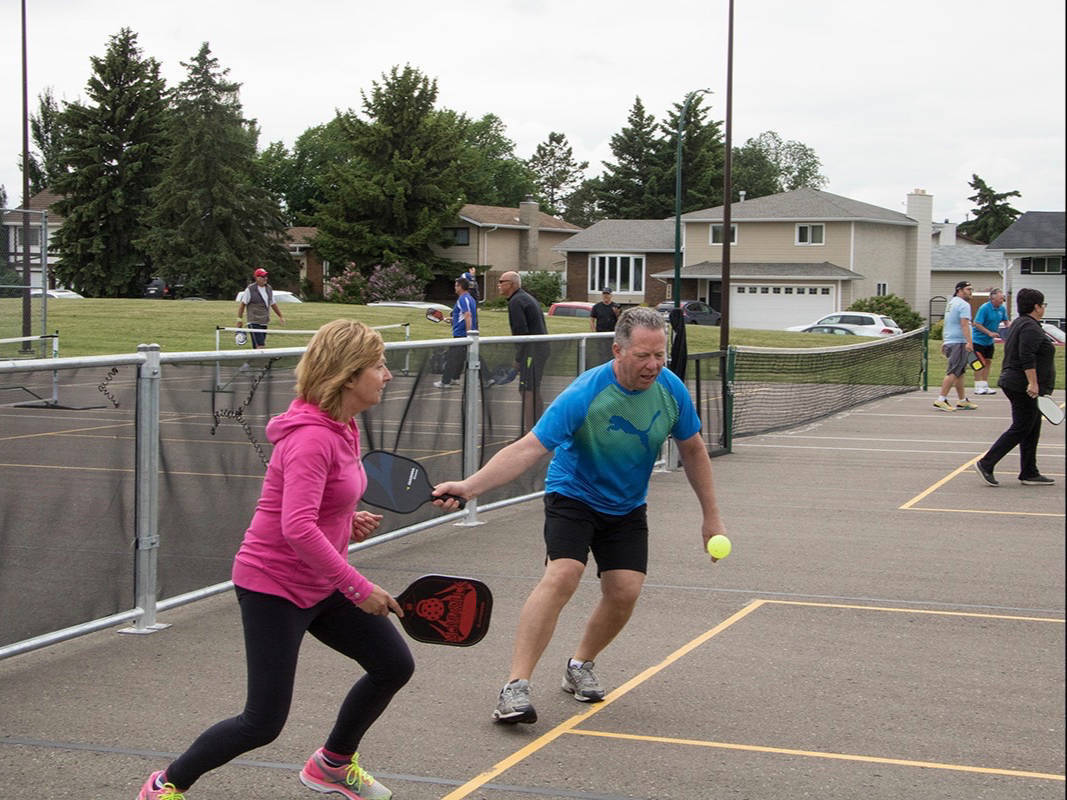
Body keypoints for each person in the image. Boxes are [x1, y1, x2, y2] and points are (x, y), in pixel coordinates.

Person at [136, 320, 412, 800]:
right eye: (379, 365)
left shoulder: (342, 426)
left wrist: (346, 523)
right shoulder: (311, 437)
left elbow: (312, 510)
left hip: (319, 582)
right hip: (273, 586)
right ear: (349, 376)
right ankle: (164, 786)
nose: (387, 375)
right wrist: (359, 587)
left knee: (393, 664)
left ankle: (332, 764)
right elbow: (296, 527)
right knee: (262, 722)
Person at [432, 306, 727, 725]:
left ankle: (579, 665)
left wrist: (711, 518)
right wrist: (469, 488)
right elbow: (528, 448)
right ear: (617, 350)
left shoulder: (670, 389)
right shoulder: (586, 393)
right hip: (573, 495)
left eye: (660, 354)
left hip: (626, 506)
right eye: (644, 355)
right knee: (563, 575)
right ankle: (514, 687)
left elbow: (694, 449)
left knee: (624, 591)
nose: (654, 365)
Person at [974, 288, 1056, 487]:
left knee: (1032, 427)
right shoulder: (1029, 327)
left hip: (1017, 383)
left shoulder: (1022, 323)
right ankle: (987, 463)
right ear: (1036, 307)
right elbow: (1026, 357)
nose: (1043, 308)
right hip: (1022, 386)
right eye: (1042, 305)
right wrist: (1033, 383)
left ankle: (1029, 471)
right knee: (1022, 427)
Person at [496, 270, 549, 430]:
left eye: (501, 281)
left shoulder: (516, 301)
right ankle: (538, 430)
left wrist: (518, 360)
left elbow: (521, 332)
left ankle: (530, 434)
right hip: (539, 349)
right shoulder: (523, 298)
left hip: (532, 351)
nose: (498, 285)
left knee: (527, 390)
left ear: (511, 284)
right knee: (532, 388)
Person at [933, 280, 979, 412]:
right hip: (958, 342)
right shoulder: (963, 305)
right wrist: (969, 342)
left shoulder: (952, 303)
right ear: (960, 290)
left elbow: (948, 322)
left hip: (951, 341)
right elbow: (964, 324)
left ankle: (962, 400)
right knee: (953, 371)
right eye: (968, 289)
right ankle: (941, 399)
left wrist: (945, 340)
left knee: (960, 372)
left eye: (971, 289)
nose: (971, 292)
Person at [433, 277, 478, 389]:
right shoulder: (469, 299)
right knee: (463, 357)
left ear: (461, 287)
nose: (454, 287)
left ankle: (445, 381)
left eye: (456, 285)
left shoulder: (464, 298)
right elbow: (463, 316)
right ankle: (455, 378)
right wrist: (452, 320)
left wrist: (469, 334)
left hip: (462, 335)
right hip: (463, 333)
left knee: (452, 357)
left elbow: (468, 315)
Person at [971, 287, 1010, 394]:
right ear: (993, 299)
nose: (1002, 301)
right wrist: (989, 333)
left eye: (1003, 299)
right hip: (978, 340)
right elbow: (977, 324)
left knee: (988, 362)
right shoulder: (984, 308)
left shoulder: (1002, 309)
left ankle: (984, 385)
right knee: (979, 363)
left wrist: (1009, 330)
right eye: (1000, 299)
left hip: (989, 342)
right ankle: (977, 386)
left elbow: (1006, 321)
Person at [236, 268, 285, 349]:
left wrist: (280, 316)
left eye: (266, 276)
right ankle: (261, 361)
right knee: (260, 347)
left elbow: (273, 304)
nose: (265, 278)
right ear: (257, 277)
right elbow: (242, 305)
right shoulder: (250, 289)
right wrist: (239, 320)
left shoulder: (269, 288)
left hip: (264, 322)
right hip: (254, 322)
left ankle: (250, 362)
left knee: (257, 348)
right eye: (263, 276)